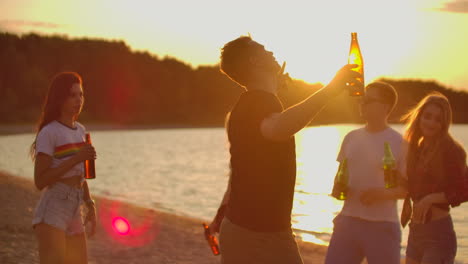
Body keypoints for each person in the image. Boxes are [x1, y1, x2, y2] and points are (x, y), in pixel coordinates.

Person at [209, 35, 361, 264]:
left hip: (250, 230)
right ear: (254, 61)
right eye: (263, 49)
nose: (270, 52)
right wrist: (332, 89)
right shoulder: (256, 101)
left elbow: (247, 164)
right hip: (258, 235)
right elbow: (276, 128)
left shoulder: (256, 102)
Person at [325, 82, 407, 264]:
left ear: (385, 107)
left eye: (369, 100)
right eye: (362, 98)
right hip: (347, 222)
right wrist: (337, 189)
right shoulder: (351, 138)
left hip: (382, 226)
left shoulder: (398, 142)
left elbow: (407, 189)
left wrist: (381, 194)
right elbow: (340, 176)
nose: (362, 102)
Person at [30, 72, 97, 264]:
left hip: (75, 206)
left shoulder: (81, 130)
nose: (78, 100)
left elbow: (79, 176)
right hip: (54, 208)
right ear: (60, 98)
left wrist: (89, 203)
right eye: (72, 95)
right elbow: (40, 180)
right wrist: (76, 158)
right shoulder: (49, 132)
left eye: (81, 94)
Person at [401, 92, 467, 264]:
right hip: (415, 231)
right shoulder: (416, 148)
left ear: (444, 124)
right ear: (419, 116)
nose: (431, 122)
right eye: (427, 116)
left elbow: (464, 190)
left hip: (438, 235)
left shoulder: (451, 150)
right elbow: (412, 186)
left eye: (438, 119)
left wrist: (430, 199)